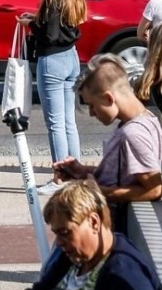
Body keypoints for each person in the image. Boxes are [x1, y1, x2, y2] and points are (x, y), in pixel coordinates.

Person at [13, 180, 162, 290]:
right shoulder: (72, 256)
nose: (59, 242)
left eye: (65, 232)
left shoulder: (124, 271)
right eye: (57, 233)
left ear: (93, 222)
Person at [54, 55, 162, 225]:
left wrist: (97, 191)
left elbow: (155, 189)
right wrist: (82, 171)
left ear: (108, 98)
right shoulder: (146, 120)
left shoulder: (133, 134)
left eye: (92, 105)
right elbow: (127, 175)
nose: (91, 113)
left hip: (116, 228)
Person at [19, 0, 86, 187]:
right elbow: (65, 29)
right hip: (71, 59)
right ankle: (75, 173)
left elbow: (49, 35)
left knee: (55, 123)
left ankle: (59, 178)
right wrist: (36, 19)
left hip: (53, 62)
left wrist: (31, 25)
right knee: (69, 122)